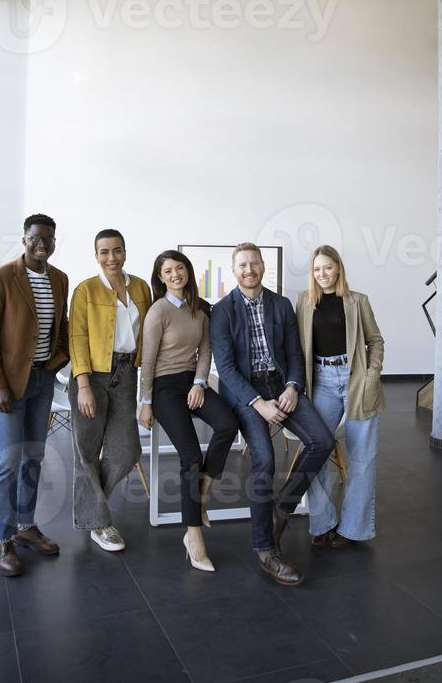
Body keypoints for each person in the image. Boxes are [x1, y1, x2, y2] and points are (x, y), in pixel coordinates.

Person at [209, 242, 334, 586]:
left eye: (254, 264)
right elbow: (226, 367)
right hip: (245, 393)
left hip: (281, 385)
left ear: (264, 267)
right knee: (264, 459)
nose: (249, 270)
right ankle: (266, 550)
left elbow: (294, 353)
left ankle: (281, 511)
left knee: (322, 441)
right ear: (233, 271)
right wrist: (257, 403)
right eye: (242, 265)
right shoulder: (222, 310)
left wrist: (293, 386)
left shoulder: (281, 305)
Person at [0, 213, 69, 577]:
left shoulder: (59, 278)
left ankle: (26, 525)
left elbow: (60, 326)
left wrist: (56, 361)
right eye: (36, 237)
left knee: (33, 455)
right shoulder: (1, 277)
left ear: (54, 241)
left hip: (42, 381)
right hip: (10, 384)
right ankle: (4, 539)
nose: (42, 243)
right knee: (6, 462)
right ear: (24, 239)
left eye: (48, 238)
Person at [139, 250, 239, 572]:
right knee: (191, 456)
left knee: (227, 424)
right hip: (165, 385)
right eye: (167, 271)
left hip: (192, 382)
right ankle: (193, 534)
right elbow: (149, 361)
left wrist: (199, 383)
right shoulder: (158, 312)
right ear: (160, 278)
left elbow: (206, 349)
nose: (174, 275)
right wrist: (146, 402)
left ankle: (204, 488)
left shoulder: (201, 309)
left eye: (179, 268)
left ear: (188, 272)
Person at [296, 245, 385, 548]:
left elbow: (376, 341)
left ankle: (352, 529)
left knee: (362, 459)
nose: (322, 274)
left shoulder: (358, 301)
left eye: (327, 268)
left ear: (338, 268)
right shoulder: (304, 302)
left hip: (356, 378)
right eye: (317, 269)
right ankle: (322, 521)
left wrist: (372, 373)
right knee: (316, 450)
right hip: (321, 379)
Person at [69, 229, 151, 552]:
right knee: (86, 451)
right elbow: (76, 338)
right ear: (96, 256)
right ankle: (100, 523)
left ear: (125, 252)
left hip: (127, 373)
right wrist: (84, 385)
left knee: (126, 450)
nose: (111, 258)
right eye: (104, 252)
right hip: (92, 376)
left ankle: (91, 508)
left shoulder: (141, 288)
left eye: (117, 250)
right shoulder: (85, 290)